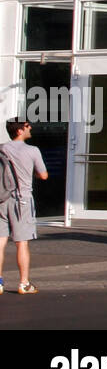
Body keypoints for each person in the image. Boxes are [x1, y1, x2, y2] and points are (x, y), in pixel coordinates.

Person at [0, 119, 48, 294]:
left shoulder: (2, 148)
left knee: (0, 242)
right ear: (20, 131)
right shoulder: (32, 150)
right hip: (22, 200)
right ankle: (24, 283)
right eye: (27, 126)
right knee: (21, 243)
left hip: (1, 199)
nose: (30, 128)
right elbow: (44, 175)